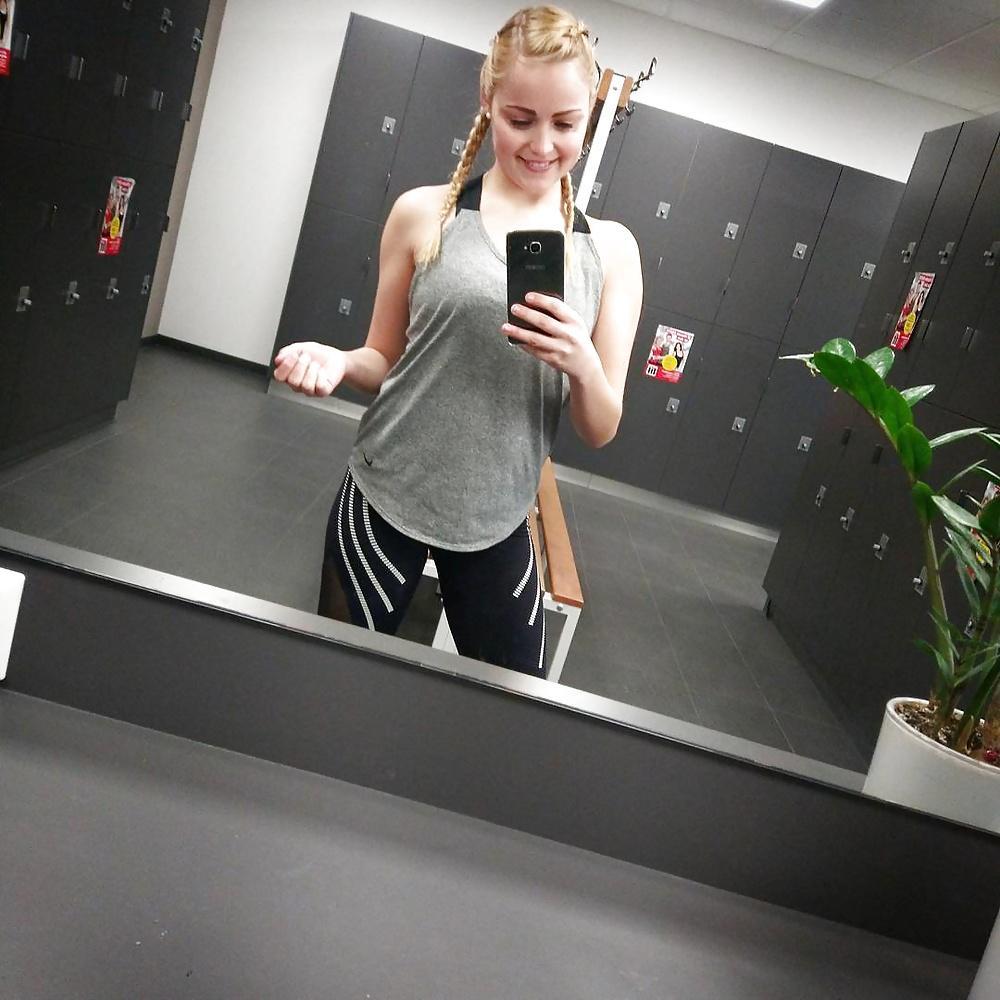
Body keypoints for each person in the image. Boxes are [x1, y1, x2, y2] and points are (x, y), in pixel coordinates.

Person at [274, 5, 642, 678]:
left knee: (504, 708)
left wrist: (582, 364)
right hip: (385, 493)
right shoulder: (424, 214)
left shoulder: (610, 252)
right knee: (332, 681)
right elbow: (382, 358)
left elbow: (600, 428)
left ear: (587, 119)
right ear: (488, 101)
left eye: (565, 124)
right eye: (520, 119)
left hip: (497, 517)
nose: (542, 144)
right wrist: (340, 361)